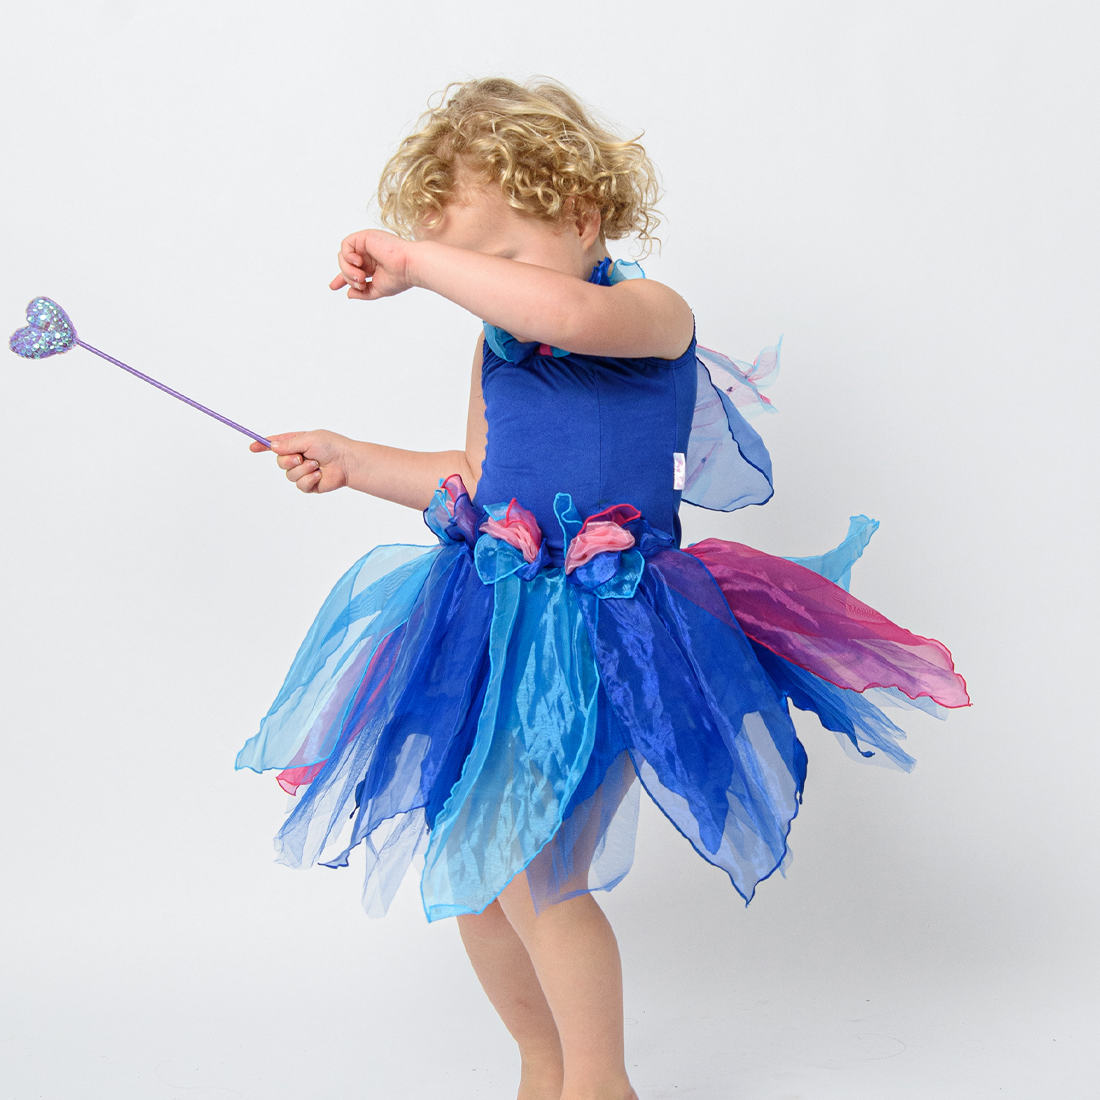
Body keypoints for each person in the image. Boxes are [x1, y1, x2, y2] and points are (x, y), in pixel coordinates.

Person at [237, 77, 968, 1100]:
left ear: (581, 216)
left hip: (608, 627)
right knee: (476, 873)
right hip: (489, 616)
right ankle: (542, 1066)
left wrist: (418, 261)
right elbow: (481, 475)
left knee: (542, 867)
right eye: (465, 264)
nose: (479, 290)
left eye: (496, 259)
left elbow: (566, 310)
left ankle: (599, 1082)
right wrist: (354, 459)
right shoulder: (496, 342)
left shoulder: (647, 314)